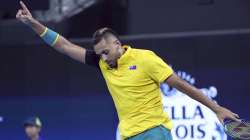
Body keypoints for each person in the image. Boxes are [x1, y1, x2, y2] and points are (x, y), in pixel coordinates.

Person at [16, 1, 240, 140]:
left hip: (155, 132)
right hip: (127, 135)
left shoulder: (146, 59)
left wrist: (216, 109)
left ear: (117, 45)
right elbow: (64, 46)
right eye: (99, 54)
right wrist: (33, 23)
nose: (102, 57)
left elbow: (182, 85)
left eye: (105, 52)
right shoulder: (102, 62)